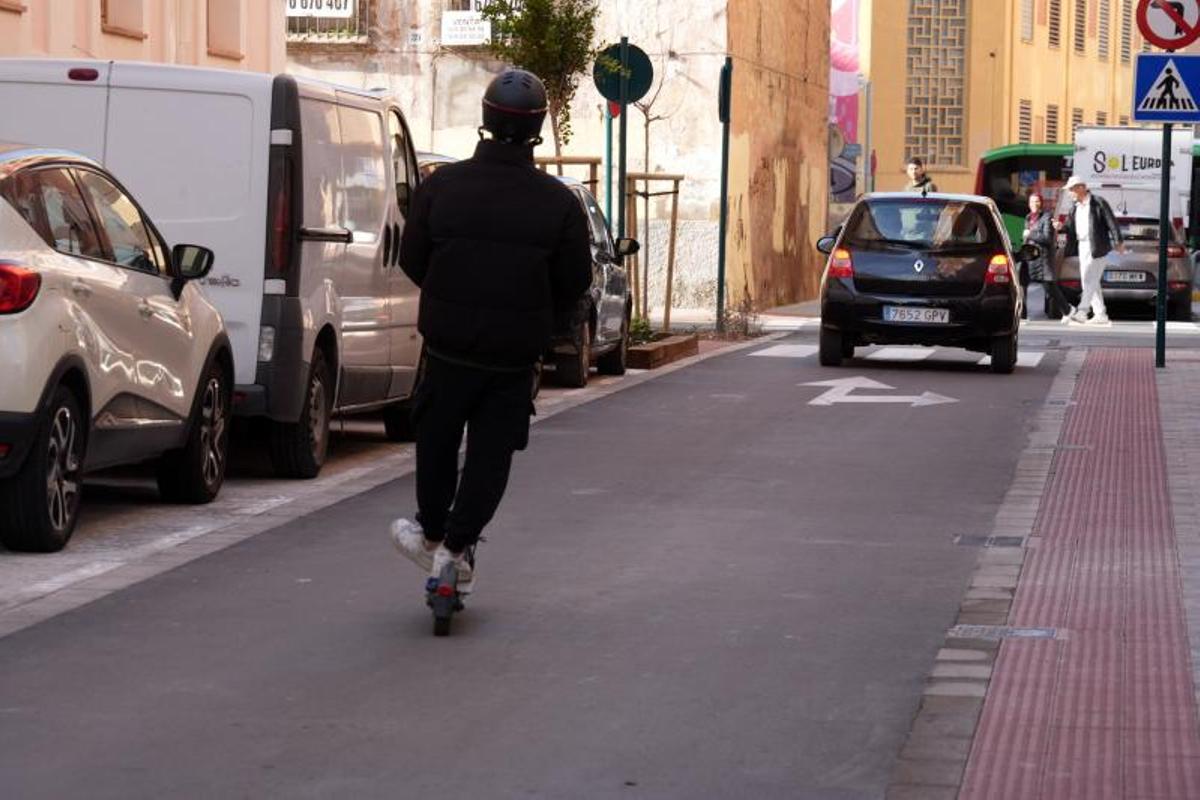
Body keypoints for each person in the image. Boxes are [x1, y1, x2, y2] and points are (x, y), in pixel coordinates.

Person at [390, 69, 593, 592]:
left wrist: (447, 292)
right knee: (491, 456)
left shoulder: (442, 187)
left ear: (485, 119)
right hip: (512, 357)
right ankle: (458, 547)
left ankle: (433, 535)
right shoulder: (558, 203)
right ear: (538, 128)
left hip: (448, 346)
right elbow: (575, 282)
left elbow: (413, 259)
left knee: (435, 442)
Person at [1057, 176, 1123, 325]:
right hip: (1082, 245)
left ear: (1081, 188)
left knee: (1090, 278)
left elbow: (1111, 221)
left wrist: (1118, 241)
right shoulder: (1075, 206)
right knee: (1090, 280)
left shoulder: (1098, 202)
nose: (1069, 193)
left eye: (1071, 190)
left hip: (1097, 245)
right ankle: (1100, 314)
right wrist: (1061, 227)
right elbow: (1069, 225)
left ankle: (1082, 311)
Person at [1023, 193, 1073, 321]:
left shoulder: (1046, 217)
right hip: (1031, 257)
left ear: (1041, 203)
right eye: (1032, 202)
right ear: (1029, 204)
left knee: (1049, 286)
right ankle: (1022, 315)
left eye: (1037, 202)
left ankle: (1068, 310)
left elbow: (1047, 239)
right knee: (1022, 283)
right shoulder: (1028, 218)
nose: (1034, 204)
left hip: (1043, 258)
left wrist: (1030, 234)